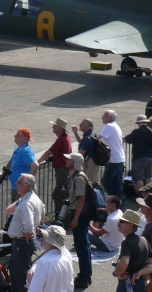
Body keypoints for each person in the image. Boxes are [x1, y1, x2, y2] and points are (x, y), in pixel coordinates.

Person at [5, 173, 44, 292]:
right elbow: (8, 211)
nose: (16, 184)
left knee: (20, 275)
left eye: (19, 182)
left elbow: (28, 224)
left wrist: (27, 232)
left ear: (27, 185)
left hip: (21, 241)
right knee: (18, 270)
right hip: (24, 242)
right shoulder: (32, 199)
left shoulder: (27, 203)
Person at [65, 152, 92, 289]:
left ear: (74, 163)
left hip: (79, 214)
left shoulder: (79, 178)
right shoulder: (75, 176)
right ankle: (86, 275)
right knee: (83, 245)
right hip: (78, 214)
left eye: (69, 160)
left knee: (82, 247)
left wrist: (75, 219)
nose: (66, 161)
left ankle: (84, 277)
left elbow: (81, 199)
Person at [36, 117, 72, 215]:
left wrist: (37, 162)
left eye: (55, 126)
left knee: (61, 195)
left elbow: (48, 152)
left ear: (60, 128)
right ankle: (60, 217)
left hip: (62, 171)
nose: (53, 127)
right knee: (57, 195)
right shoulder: (66, 138)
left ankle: (62, 219)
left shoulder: (61, 140)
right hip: (63, 170)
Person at [112, 210, 152, 292]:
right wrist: (139, 273)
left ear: (130, 225)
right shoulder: (143, 240)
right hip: (140, 283)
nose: (119, 223)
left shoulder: (127, 243)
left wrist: (116, 273)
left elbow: (123, 264)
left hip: (127, 284)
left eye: (122, 221)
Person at [26, 225, 74, 292]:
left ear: (50, 242)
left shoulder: (43, 262)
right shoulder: (66, 260)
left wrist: (29, 283)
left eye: (44, 237)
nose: (41, 239)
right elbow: (70, 288)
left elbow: (35, 290)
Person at [97, 111, 125, 202]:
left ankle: (113, 201)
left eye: (104, 116)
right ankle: (118, 201)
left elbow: (98, 137)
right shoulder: (115, 126)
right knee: (117, 182)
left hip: (113, 159)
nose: (102, 117)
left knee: (106, 181)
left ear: (109, 117)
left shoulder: (109, 126)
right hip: (119, 158)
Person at [124, 115, 152, 193]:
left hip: (139, 158)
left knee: (139, 178)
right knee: (149, 177)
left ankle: (141, 195)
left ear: (139, 123)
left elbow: (128, 139)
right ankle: (149, 195)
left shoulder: (137, 132)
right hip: (151, 157)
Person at [6, 128, 37, 202]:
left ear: (24, 139)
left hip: (23, 189)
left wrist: (29, 182)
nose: (15, 136)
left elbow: (35, 165)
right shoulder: (18, 149)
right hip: (17, 187)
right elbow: (11, 163)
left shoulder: (25, 151)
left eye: (18, 135)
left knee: (20, 211)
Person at [71, 118, 99, 182]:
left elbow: (81, 153)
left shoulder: (87, 138)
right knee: (92, 181)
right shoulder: (92, 134)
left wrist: (70, 159)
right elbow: (81, 143)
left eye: (81, 125)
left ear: (87, 127)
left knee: (89, 182)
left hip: (89, 163)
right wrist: (75, 132)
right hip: (94, 161)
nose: (79, 126)